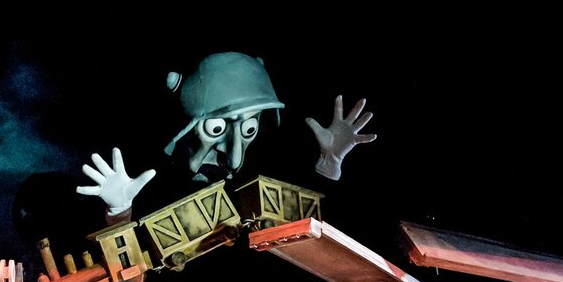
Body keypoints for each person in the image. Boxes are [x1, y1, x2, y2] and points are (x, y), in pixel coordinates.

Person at [76, 51, 376, 220]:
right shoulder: (150, 177)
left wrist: (328, 167)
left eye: (248, 130)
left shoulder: (260, 179)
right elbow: (129, 274)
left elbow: (309, 227)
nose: (233, 156)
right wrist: (120, 211)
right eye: (216, 130)